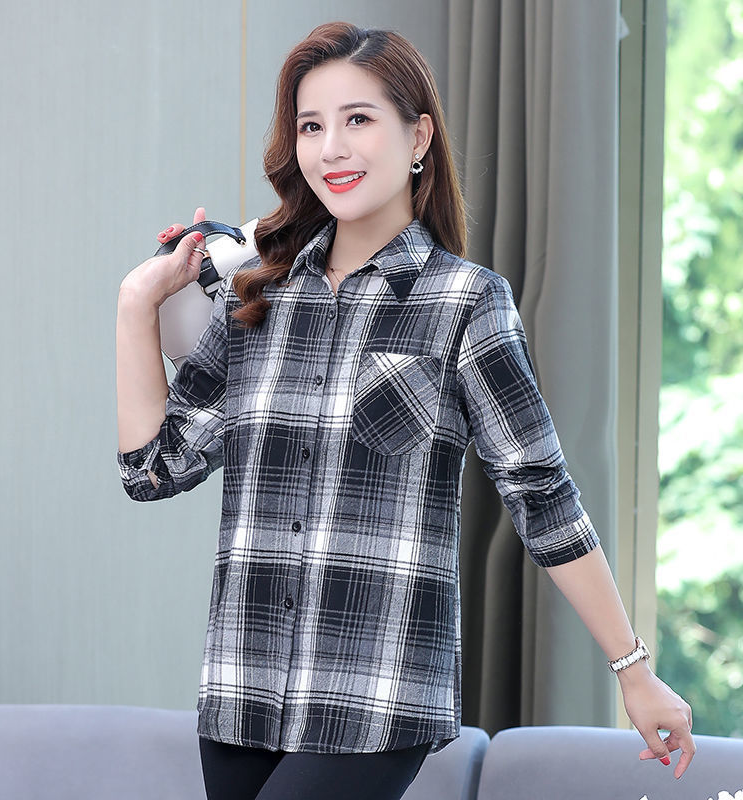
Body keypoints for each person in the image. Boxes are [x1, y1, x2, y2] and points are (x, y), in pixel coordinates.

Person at [115, 21, 695, 800]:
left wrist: (633, 670)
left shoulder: (466, 301)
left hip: (377, 694)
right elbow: (153, 471)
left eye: (358, 119)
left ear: (417, 136)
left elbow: (543, 496)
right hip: (243, 690)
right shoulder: (259, 299)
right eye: (311, 127)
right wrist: (137, 303)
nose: (331, 149)